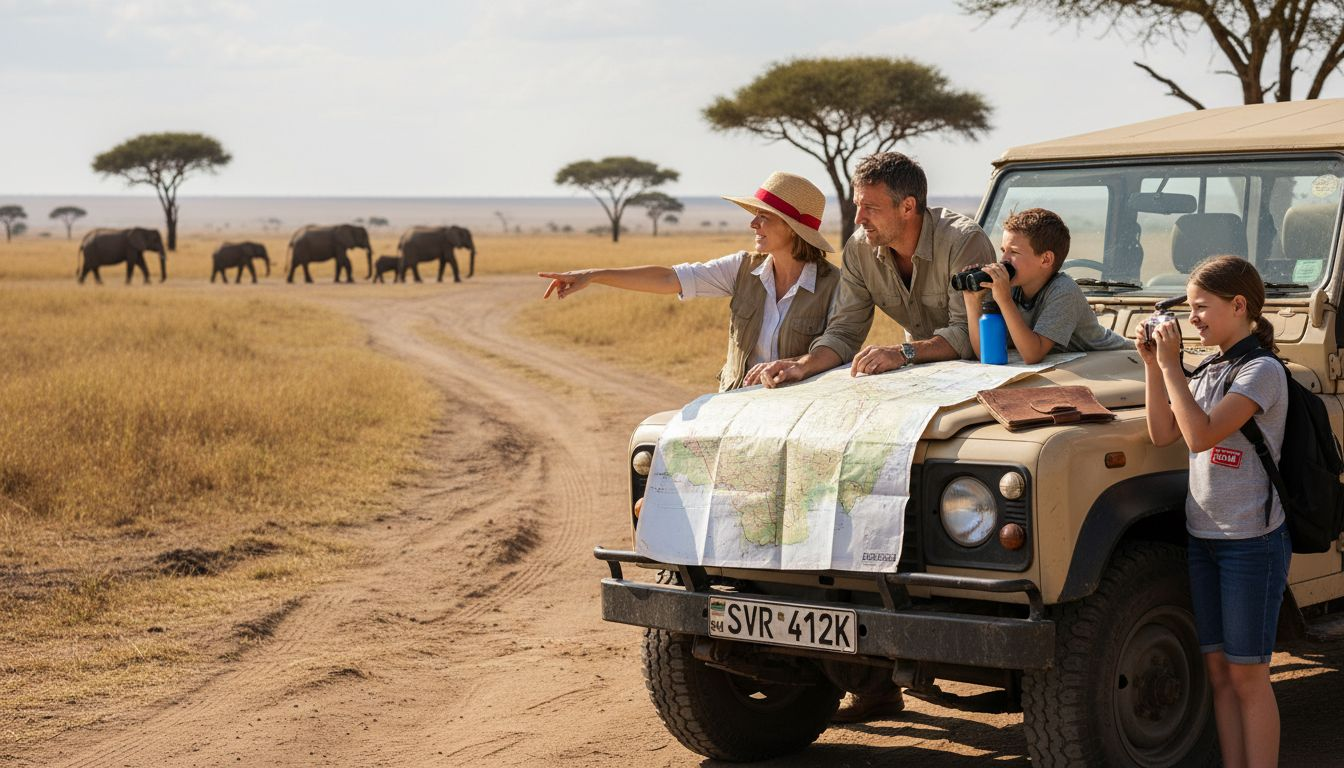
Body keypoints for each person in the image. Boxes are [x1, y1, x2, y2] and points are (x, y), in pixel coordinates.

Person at [1139, 255, 1289, 768]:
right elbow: (1165, 433)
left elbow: (1201, 436)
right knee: (1221, 671)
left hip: (1252, 541)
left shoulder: (1262, 371)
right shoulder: (1210, 368)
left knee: (1249, 676)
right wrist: (1152, 369)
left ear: (1239, 305)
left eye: (1202, 308)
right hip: (1204, 537)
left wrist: (1169, 366)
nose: (1193, 318)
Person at [538, 172, 840, 392]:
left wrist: (795, 366)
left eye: (765, 216)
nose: (753, 224)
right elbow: (669, 277)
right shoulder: (741, 268)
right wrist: (593, 275)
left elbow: (838, 351)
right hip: (734, 407)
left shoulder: (835, 285)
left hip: (798, 415)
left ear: (793, 228)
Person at [754, 151, 995, 389]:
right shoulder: (859, 249)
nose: (858, 218)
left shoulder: (963, 242)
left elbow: (967, 333)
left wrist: (903, 352)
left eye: (870, 207)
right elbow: (843, 333)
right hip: (927, 374)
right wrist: (803, 365)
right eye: (858, 205)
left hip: (1001, 367)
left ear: (908, 207)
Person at [962, 208, 1128, 363]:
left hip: (1121, 360)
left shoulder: (1064, 291)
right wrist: (972, 301)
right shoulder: (1011, 287)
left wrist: (1004, 300)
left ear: (1046, 259)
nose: (1004, 259)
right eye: (1003, 250)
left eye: (1014, 252)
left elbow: (1032, 354)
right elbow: (985, 353)